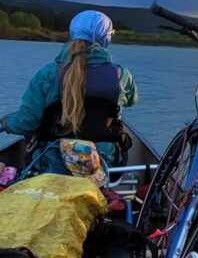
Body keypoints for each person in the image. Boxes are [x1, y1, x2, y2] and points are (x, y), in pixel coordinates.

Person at [0, 10, 138, 168]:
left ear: (72, 34)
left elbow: (25, 123)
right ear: (106, 38)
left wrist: (6, 123)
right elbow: (132, 100)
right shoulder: (122, 75)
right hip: (102, 164)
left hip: (52, 163)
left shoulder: (48, 74)